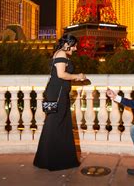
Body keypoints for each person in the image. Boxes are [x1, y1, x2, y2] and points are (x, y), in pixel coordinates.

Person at [33, 34, 87, 171]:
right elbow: (61, 74)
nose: (75, 49)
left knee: (54, 124)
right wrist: (78, 76)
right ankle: (54, 161)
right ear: (67, 44)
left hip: (56, 93)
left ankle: (48, 159)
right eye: (74, 45)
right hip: (57, 94)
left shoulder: (59, 53)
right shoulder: (62, 53)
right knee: (56, 124)